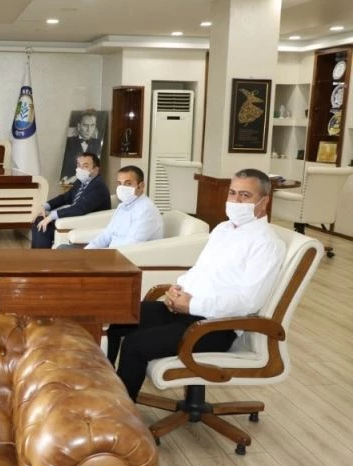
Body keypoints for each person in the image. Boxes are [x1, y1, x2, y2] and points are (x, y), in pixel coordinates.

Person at [106, 169, 286, 401]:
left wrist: (192, 305)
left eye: (245, 195)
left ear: (264, 202)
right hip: (183, 311)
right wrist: (176, 290)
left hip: (214, 326)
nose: (235, 201)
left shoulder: (266, 244)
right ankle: (103, 389)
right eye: (232, 193)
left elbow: (248, 301)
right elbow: (200, 270)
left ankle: (119, 411)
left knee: (135, 344)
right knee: (118, 317)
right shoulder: (223, 229)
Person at [59, 166, 163, 249]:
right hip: (111, 253)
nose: (122, 188)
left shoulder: (146, 210)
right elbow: (107, 234)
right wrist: (88, 251)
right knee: (63, 248)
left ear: (141, 186)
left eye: (128, 183)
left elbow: (131, 245)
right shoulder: (123, 206)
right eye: (120, 183)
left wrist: (101, 256)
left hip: (125, 260)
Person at [31, 152, 111, 249]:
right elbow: (65, 197)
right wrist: (45, 206)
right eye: (79, 165)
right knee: (39, 219)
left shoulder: (98, 187)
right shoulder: (81, 182)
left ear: (96, 170)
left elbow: (79, 209)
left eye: (85, 166)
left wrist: (51, 216)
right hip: (76, 217)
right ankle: (38, 255)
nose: (80, 169)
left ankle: (41, 257)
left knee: (43, 226)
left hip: (86, 222)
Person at [60, 112, 104, 182]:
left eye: (92, 125)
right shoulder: (68, 142)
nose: (89, 130)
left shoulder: (99, 144)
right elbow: (63, 170)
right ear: (79, 126)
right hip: (70, 183)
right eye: (85, 125)